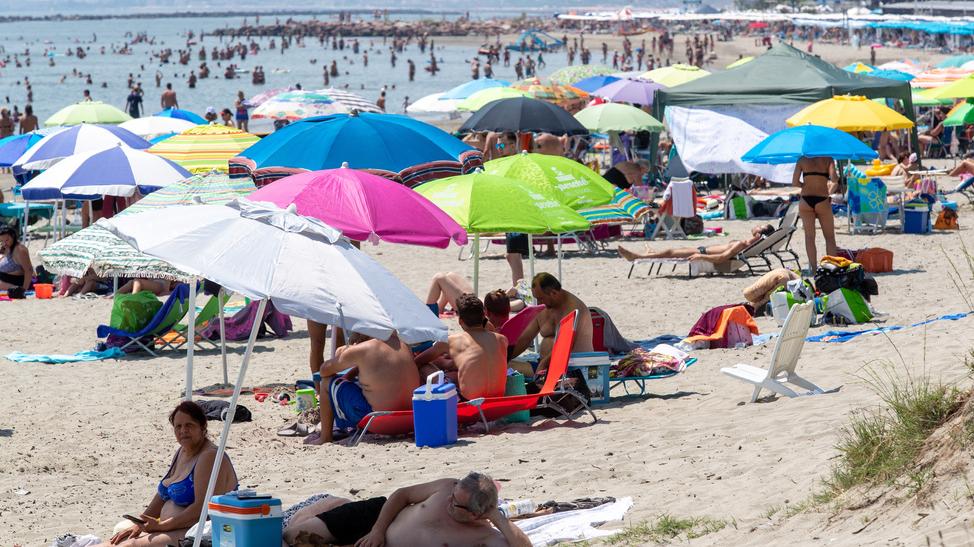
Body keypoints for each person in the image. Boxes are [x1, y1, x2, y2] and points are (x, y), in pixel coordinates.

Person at [95, 401, 238, 546]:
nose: (183, 430)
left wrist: (162, 526)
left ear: (202, 427)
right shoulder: (182, 452)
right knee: (116, 539)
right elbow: (162, 496)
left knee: (130, 545)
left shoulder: (209, 456)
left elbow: (201, 509)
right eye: (178, 426)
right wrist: (141, 522)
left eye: (189, 425)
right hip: (172, 527)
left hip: (200, 531)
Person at [282, 472, 531, 547]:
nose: (448, 500)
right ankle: (336, 504)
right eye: (453, 493)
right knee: (291, 535)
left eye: (455, 503)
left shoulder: (483, 535)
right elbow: (402, 495)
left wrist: (497, 517)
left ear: (475, 514)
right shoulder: (447, 487)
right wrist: (378, 530)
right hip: (379, 517)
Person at [308, 331, 420, 444]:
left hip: (379, 422)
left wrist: (343, 352)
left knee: (326, 382)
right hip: (410, 419)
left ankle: (325, 437)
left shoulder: (362, 349)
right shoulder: (402, 343)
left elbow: (324, 370)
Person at [415, 294, 508, 400]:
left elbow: (419, 361)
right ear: (484, 316)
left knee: (424, 367)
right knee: (457, 373)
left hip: (469, 403)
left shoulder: (451, 341)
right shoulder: (502, 340)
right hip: (497, 401)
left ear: (460, 321)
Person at [509, 273, 593, 374]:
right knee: (504, 365)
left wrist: (542, 365)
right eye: (537, 298)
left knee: (507, 368)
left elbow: (564, 347)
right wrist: (506, 357)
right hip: (545, 366)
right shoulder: (545, 307)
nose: (539, 303)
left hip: (574, 367)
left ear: (554, 293)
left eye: (541, 298)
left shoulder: (573, 309)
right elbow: (525, 339)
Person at [618, 224, 775, 264]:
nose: (756, 226)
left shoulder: (741, 244)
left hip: (702, 253)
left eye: (759, 226)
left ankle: (636, 257)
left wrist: (701, 257)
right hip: (701, 250)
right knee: (671, 251)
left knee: (670, 252)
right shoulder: (745, 244)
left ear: (759, 234)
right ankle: (650, 254)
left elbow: (722, 258)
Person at [793, 155, 839, 271]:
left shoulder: (802, 160)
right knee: (829, 237)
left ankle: (813, 269)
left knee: (809, 237)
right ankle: (832, 268)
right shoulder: (828, 159)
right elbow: (834, 180)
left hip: (805, 200)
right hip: (822, 199)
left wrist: (805, 185)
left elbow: (794, 182)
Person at [0, 225, 32, 293]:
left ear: (13, 237)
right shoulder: (7, 247)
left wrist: (24, 290)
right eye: (1, 240)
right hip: (5, 279)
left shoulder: (20, 250)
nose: (4, 243)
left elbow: (29, 270)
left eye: (7, 240)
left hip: (14, 282)